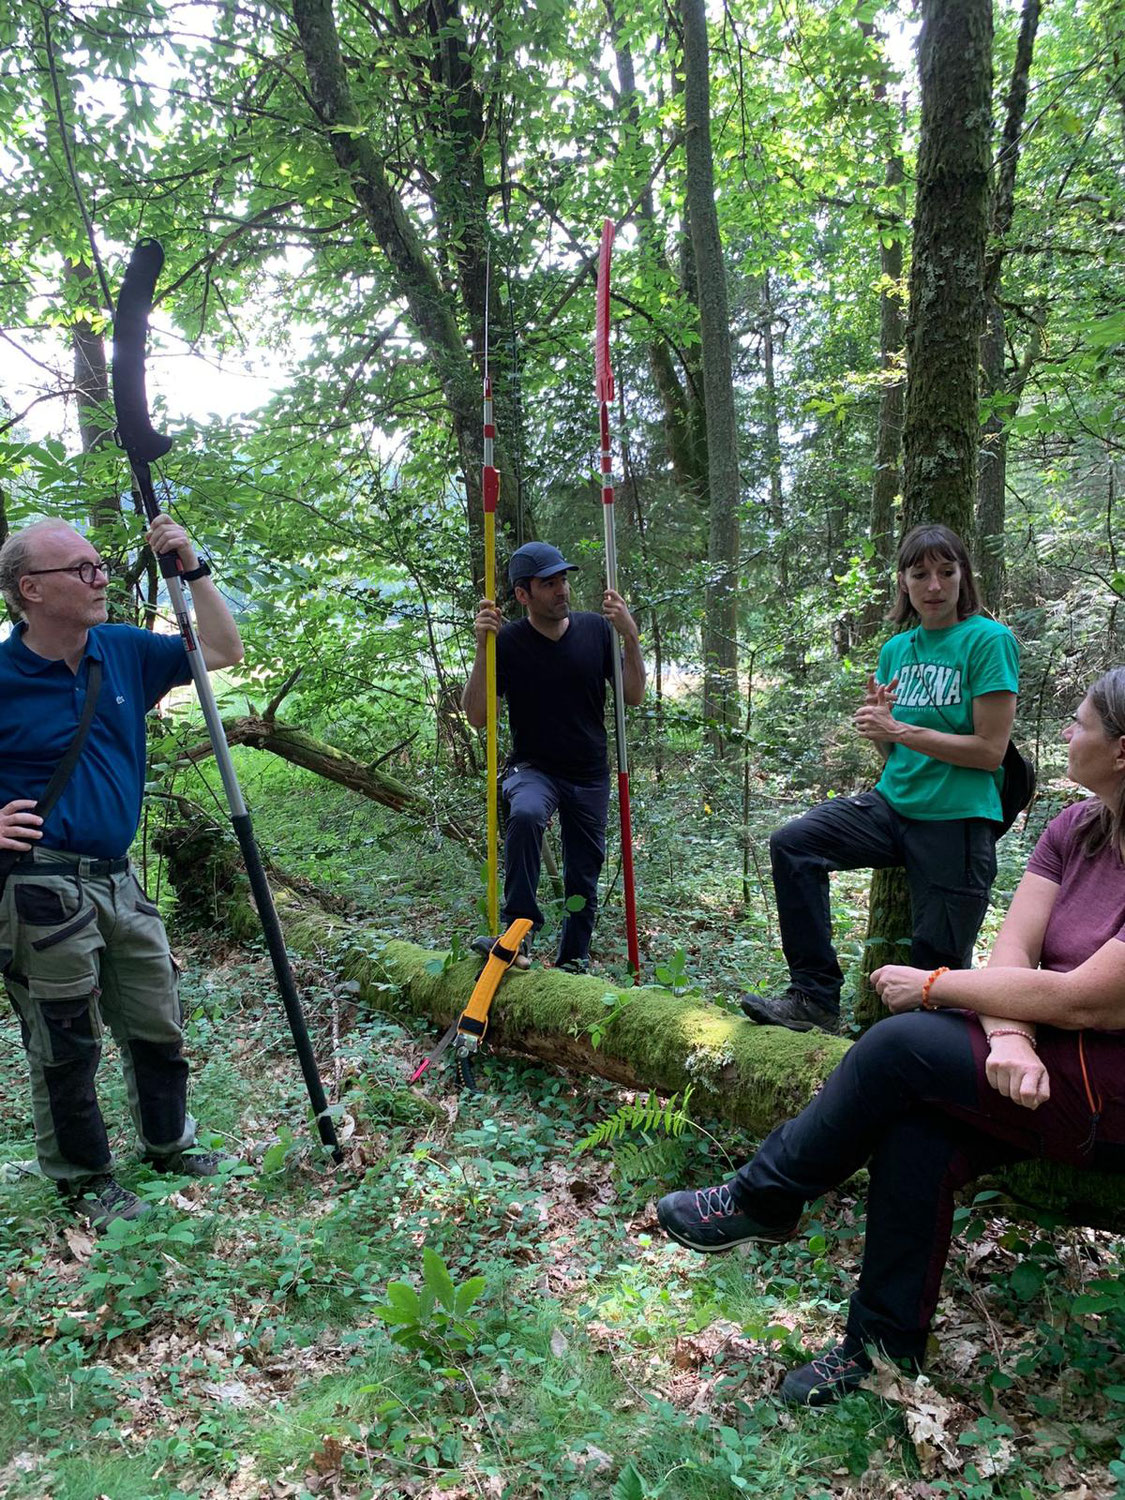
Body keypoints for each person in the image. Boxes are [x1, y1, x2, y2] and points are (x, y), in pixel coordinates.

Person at [657, 666, 1125, 1407]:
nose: (1066, 732)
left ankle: (765, 1196)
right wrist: (1006, 1037)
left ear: (1121, 749)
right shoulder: (1072, 828)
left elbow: (1091, 1002)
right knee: (915, 1135)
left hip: (1109, 1090)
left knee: (899, 1041)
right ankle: (879, 1354)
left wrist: (936, 986)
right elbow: (1013, 953)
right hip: (1035, 1064)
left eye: (1080, 722)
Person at [0, 515, 244, 1229]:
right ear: (31, 591)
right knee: (65, 1038)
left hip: (116, 876)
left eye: (100, 563)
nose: (100, 576)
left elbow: (223, 649)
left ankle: (169, 1144)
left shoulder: (123, 652)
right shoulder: (4, 676)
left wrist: (190, 566)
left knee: (154, 1018)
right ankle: (83, 1179)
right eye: (80, 569)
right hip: (40, 884)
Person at [742, 523, 1019, 1035]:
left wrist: (901, 728)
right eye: (920, 574)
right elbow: (895, 752)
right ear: (904, 584)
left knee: (935, 969)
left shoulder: (988, 640)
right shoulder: (897, 649)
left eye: (946, 572)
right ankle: (814, 998)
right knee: (794, 843)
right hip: (893, 806)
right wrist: (879, 728)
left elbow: (989, 752)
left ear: (964, 577)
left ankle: (930, 1079)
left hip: (956, 819)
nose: (934, 586)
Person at [461, 541, 645, 972]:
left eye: (563, 579)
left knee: (584, 875)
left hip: (589, 773)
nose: (562, 589)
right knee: (524, 814)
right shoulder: (507, 642)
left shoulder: (596, 631)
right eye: (549, 583)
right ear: (523, 595)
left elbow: (633, 695)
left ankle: (572, 964)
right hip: (535, 769)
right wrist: (483, 648)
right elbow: (476, 717)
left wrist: (630, 636)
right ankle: (516, 936)